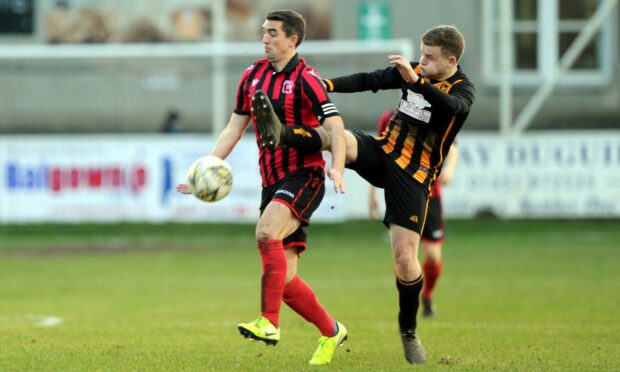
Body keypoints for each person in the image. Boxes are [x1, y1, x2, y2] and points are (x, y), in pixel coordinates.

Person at [255, 25, 475, 364]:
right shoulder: (415, 71)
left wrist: (417, 82)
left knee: (405, 261)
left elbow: (453, 108)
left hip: (413, 177)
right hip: (383, 151)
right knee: (337, 134)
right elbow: (368, 80)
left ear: (451, 60)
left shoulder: (463, 89)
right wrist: (324, 85)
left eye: (430, 58)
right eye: (421, 54)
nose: (422, 62)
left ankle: (408, 331)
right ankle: (281, 132)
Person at [176, 10, 348, 366]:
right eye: (263, 32)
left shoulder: (307, 78)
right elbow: (233, 129)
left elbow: (334, 123)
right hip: (272, 181)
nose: (265, 38)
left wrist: (339, 166)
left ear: (292, 40)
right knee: (284, 282)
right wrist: (205, 168)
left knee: (266, 231)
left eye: (273, 33)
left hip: (305, 176)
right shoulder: (251, 76)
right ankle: (332, 331)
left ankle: (268, 323)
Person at [369, 108, 460, 318]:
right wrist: (372, 193)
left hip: (430, 194)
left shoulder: (435, 113)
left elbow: (453, 147)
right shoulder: (389, 118)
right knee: (404, 255)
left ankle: (427, 295)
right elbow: (379, 153)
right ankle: (409, 302)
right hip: (401, 194)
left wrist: (449, 170)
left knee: (433, 256)